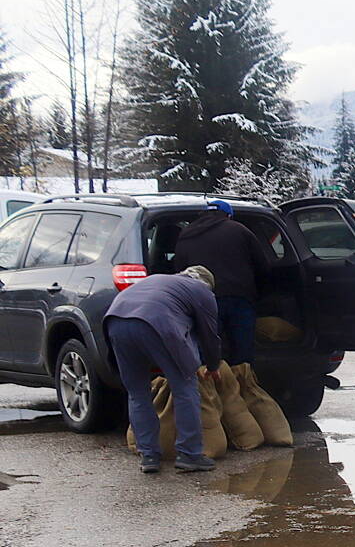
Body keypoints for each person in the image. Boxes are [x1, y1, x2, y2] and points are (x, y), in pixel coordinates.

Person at [106, 265, 224, 473]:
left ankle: (149, 456)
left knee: (137, 393)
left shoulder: (161, 279)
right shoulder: (202, 291)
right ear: (208, 284)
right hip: (156, 322)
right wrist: (213, 365)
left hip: (116, 322)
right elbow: (209, 334)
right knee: (185, 388)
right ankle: (189, 454)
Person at [172, 200, 272, 366]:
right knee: (242, 349)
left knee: (207, 348)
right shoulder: (240, 230)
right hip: (239, 297)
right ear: (228, 215)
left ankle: (208, 386)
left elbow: (179, 269)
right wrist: (260, 295)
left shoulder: (187, 233)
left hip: (202, 298)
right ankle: (242, 385)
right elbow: (262, 266)